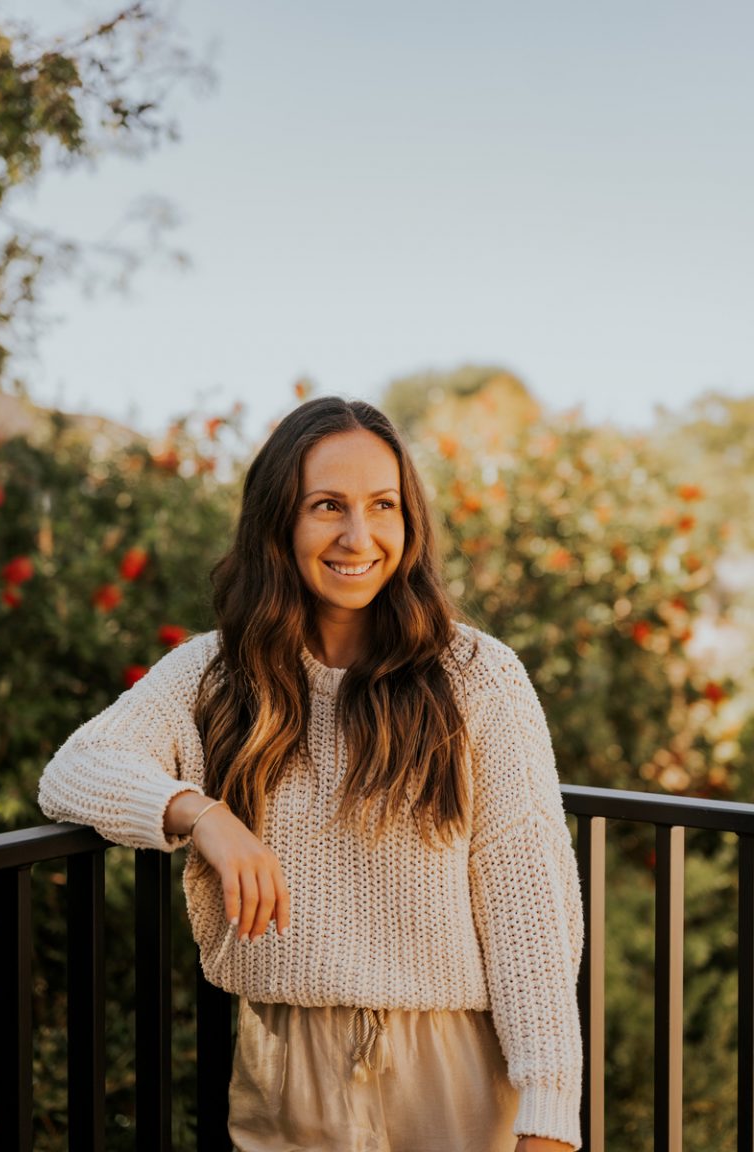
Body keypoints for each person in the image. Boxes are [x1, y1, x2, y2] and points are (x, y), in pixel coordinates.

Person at [38, 396, 584, 1152]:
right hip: (283, 1069)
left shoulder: (477, 677)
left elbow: (528, 904)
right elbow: (77, 767)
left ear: (408, 522)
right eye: (328, 505)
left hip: (451, 1070)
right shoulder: (219, 671)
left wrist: (549, 1113)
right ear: (280, 523)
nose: (358, 536)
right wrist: (203, 816)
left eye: (382, 506)